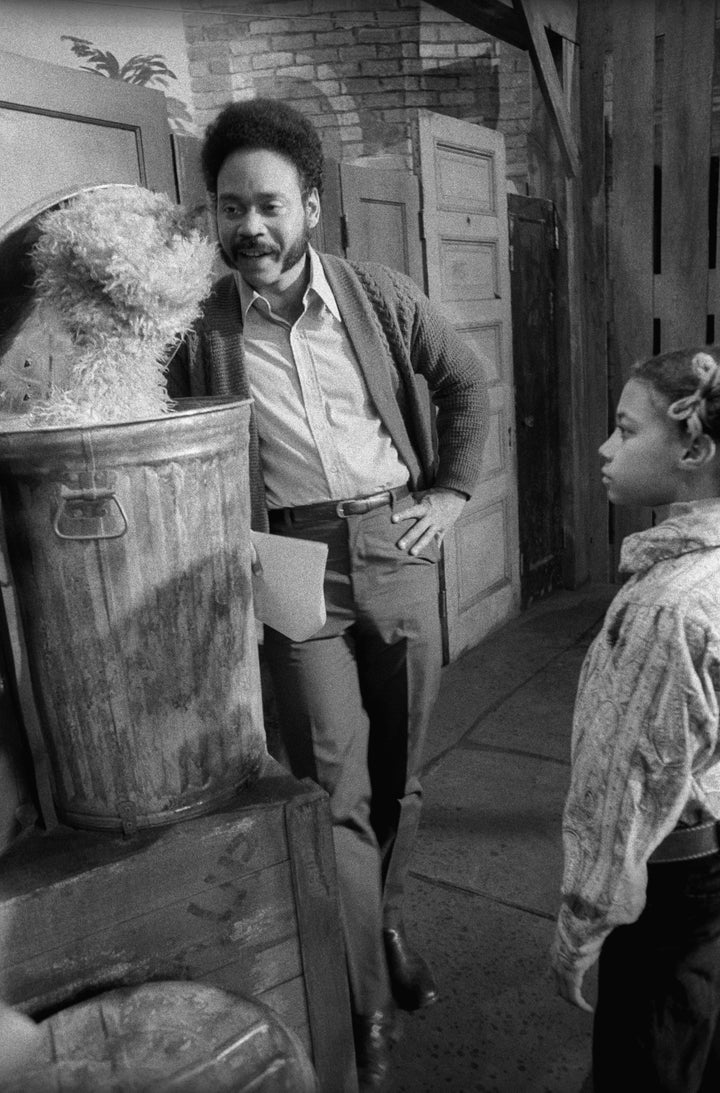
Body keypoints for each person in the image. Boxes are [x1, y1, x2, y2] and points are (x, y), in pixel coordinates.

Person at [167, 97, 490, 1091]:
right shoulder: (197, 324)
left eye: (268, 204)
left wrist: (451, 493)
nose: (249, 227)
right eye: (230, 208)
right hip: (289, 567)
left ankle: (383, 918)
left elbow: (467, 380)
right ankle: (361, 1008)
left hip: (391, 539)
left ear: (310, 204)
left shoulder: (376, 293)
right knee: (333, 790)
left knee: (399, 774)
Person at [551, 346, 720, 1092]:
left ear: (695, 447)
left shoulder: (666, 606)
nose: (605, 447)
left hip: (674, 884)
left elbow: (621, 789)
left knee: (646, 1060)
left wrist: (580, 927)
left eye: (625, 429)